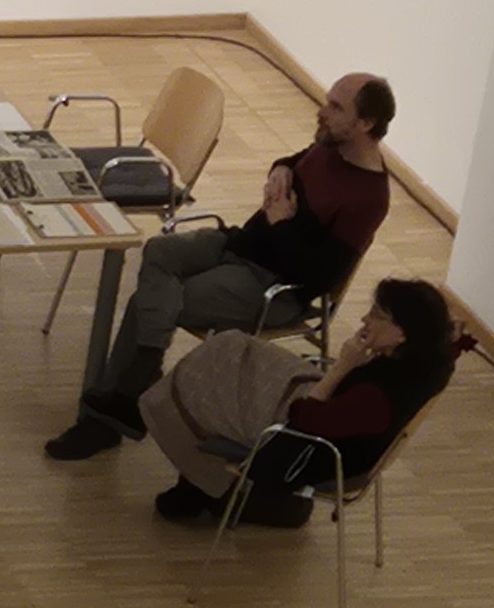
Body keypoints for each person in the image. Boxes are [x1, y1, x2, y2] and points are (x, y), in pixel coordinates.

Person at [47, 72, 398, 459]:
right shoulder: (332, 143)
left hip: (272, 283)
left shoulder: (369, 197)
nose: (322, 111)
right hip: (242, 244)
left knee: (153, 301)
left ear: (365, 124)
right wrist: (279, 169)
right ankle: (140, 378)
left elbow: (318, 277)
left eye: (335, 106)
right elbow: (294, 164)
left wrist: (281, 224)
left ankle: (108, 419)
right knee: (159, 252)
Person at [145, 277, 459, 525]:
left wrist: (342, 366)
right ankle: (204, 487)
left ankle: (205, 489)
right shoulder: (431, 363)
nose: (365, 319)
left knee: (209, 389)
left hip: (306, 446)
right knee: (232, 347)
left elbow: (303, 418)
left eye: (376, 316)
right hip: (331, 417)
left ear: (403, 334)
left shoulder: (374, 398)